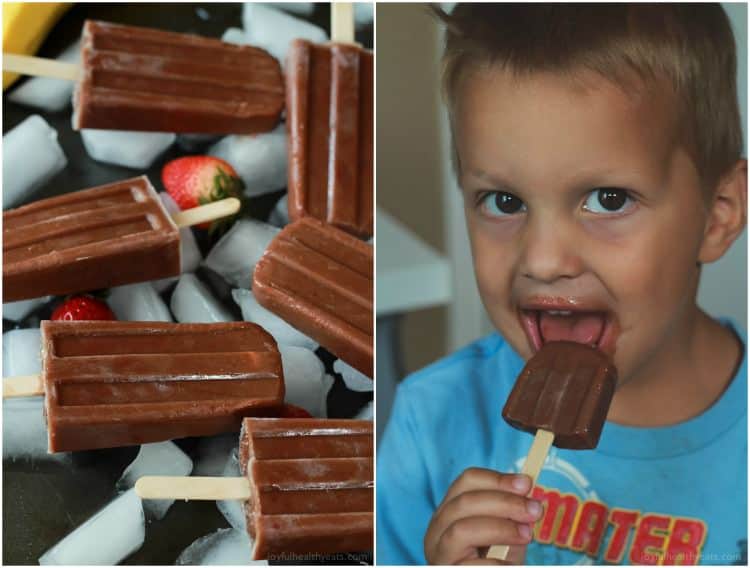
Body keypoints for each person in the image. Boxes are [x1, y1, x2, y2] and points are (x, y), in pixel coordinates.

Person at [376, 4, 747, 565]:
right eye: (505, 202)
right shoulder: (431, 421)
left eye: (609, 199)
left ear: (717, 215)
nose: (544, 260)